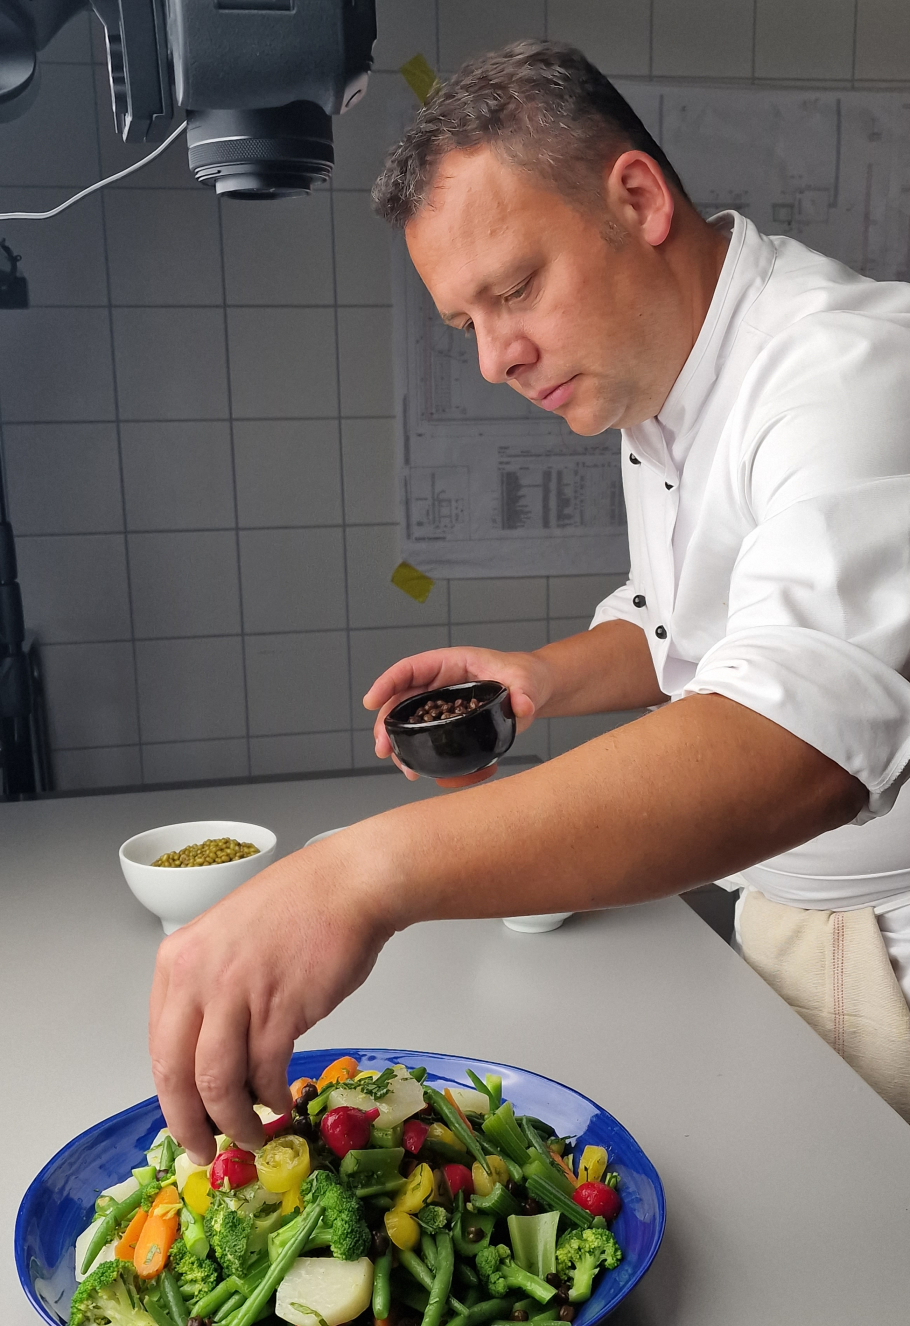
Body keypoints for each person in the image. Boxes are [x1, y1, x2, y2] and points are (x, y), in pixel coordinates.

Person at [150, 41, 910, 1161]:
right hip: (785, 919)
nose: (497, 360)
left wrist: (364, 872)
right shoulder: (657, 371)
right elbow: (688, 625)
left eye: (514, 290)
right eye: (467, 325)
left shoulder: (849, 374)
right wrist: (543, 676)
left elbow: (791, 740)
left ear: (637, 198)